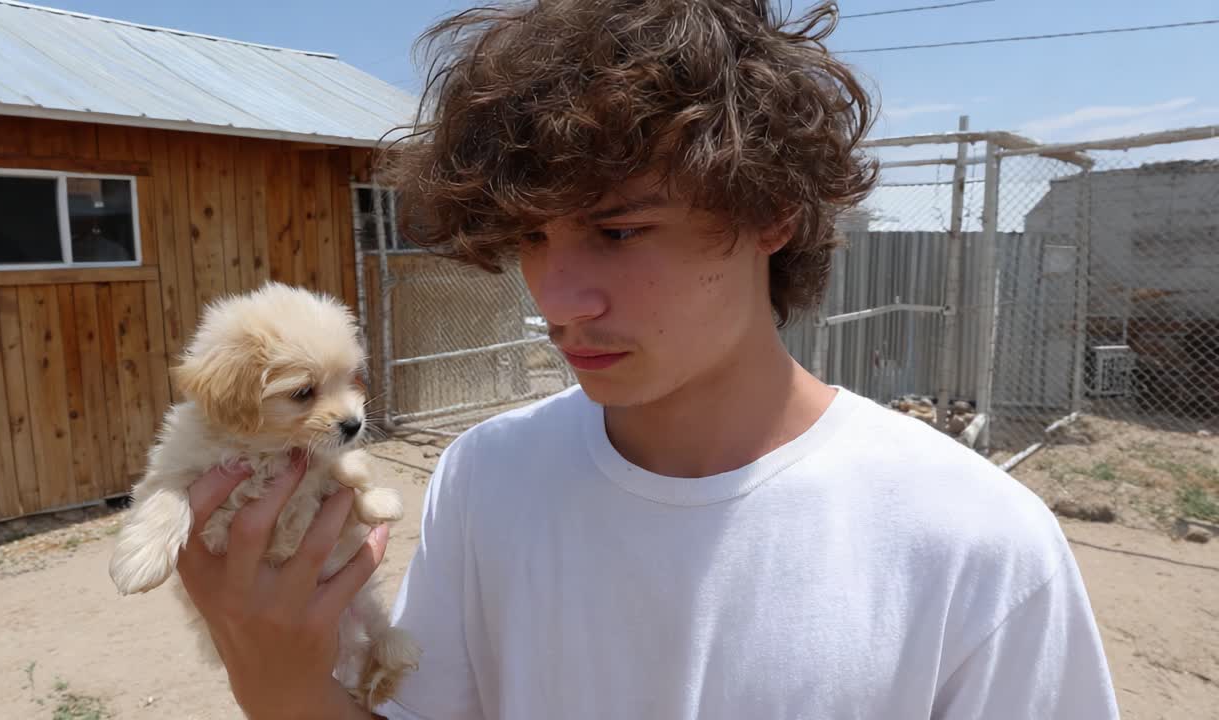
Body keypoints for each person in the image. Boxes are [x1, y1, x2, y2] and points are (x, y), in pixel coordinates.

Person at [177, 1, 1120, 718]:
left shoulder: (975, 544)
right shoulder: (490, 476)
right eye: (532, 241)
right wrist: (281, 679)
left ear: (769, 214)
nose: (555, 298)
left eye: (620, 230)